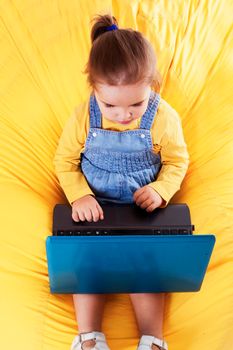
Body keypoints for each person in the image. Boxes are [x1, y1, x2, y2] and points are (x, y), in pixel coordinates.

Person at [54, 13, 189, 350]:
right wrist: (80, 196)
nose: (124, 114)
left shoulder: (164, 118)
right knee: (86, 269)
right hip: (95, 209)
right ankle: (88, 338)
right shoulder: (84, 117)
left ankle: (153, 339)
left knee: (146, 272)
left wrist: (160, 190)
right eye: (110, 104)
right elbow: (65, 162)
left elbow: (176, 162)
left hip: (139, 209)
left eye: (136, 104)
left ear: (152, 85)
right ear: (94, 90)